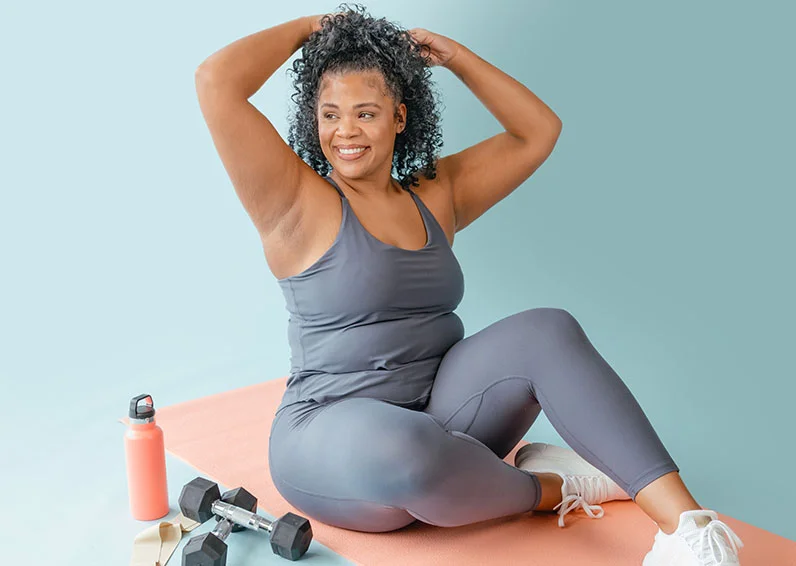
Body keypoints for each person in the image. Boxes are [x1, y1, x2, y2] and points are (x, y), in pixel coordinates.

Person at [193, 4, 743, 564]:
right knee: (407, 449)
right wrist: (313, 29)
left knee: (547, 329)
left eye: (365, 113)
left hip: (442, 414)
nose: (345, 132)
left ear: (400, 118)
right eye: (330, 114)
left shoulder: (435, 194)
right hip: (332, 436)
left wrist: (457, 59)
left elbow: (538, 131)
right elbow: (216, 83)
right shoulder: (294, 201)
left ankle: (692, 532)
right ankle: (555, 488)